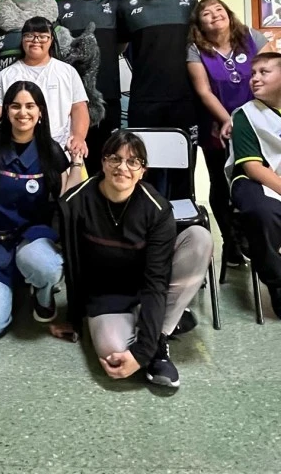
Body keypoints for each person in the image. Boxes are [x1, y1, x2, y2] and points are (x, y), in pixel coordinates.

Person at [51, 130, 213, 388]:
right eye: (115, 159)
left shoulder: (157, 208)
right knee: (113, 354)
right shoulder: (76, 202)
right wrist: (75, 317)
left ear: (143, 171)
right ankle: (168, 317)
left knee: (199, 238)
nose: (122, 168)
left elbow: (156, 280)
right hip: (104, 294)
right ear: (103, 162)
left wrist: (143, 352)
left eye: (133, 162)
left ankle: (159, 338)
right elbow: (73, 264)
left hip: (145, 285)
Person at [0, 81, 84, 339]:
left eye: (30, 106)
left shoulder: (50, 150)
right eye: (15, 106)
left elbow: (68, 200)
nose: (23, 112)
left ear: (40, 112)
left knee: (45, 265)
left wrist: (77, 162)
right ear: (6, 110)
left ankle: (42, 295)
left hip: (30, 240)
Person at [187, 0, 270, 267]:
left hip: (258, 123)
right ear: (199, 24)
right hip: (217, 125)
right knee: (221, 182)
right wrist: (228, 120)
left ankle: (257, 238)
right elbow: (203, 91)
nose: (215, 15)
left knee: (256, 179)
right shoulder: (195, 49)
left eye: (219, 9)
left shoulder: (251, 37)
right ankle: (231, 242)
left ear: (228, 13)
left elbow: (273, 73)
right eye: (206, 14)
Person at [117, 0, 198, 198]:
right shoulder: (126, 6)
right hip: (145, 100)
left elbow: (201, 40)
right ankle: (148, 219)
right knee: (144, 168)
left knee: (184, 169)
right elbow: (118, 46)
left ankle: (184, 221)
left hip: (184, 98)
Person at [0, 16, 90, 155]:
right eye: (29, 36)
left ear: (51, 39)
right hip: (15, 149)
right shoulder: (6, 75)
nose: (36, 41)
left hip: (59, 147)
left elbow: (79, 108)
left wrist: (78, 137)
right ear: (22, 39)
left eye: (42, 36)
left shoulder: (67, 72)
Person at [57, 0, 123, 174]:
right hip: (71, 98)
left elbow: (121, 44)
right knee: (72, 160)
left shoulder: (115, 7)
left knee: (107, 159)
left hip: (107, 97)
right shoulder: (60, 6)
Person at [227, 52, 281, 318]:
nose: (255, 78)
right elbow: (253, 167)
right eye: (253, 74)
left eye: (264, 72)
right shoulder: (246, 115)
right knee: (263, 212)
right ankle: (277, 283)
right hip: (254, 180)